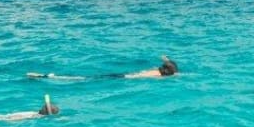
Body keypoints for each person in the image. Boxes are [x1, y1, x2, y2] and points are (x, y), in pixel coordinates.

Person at [26, 56, 179, 81]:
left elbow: (170, 64)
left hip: (123, 76)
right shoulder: (160, 76)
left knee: (85, 79)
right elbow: (173, 68)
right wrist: (165, 59)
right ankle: (45, 77)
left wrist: (164, 58)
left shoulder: (156, 72)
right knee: (85, 79)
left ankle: (46, 76)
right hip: (122, 78)